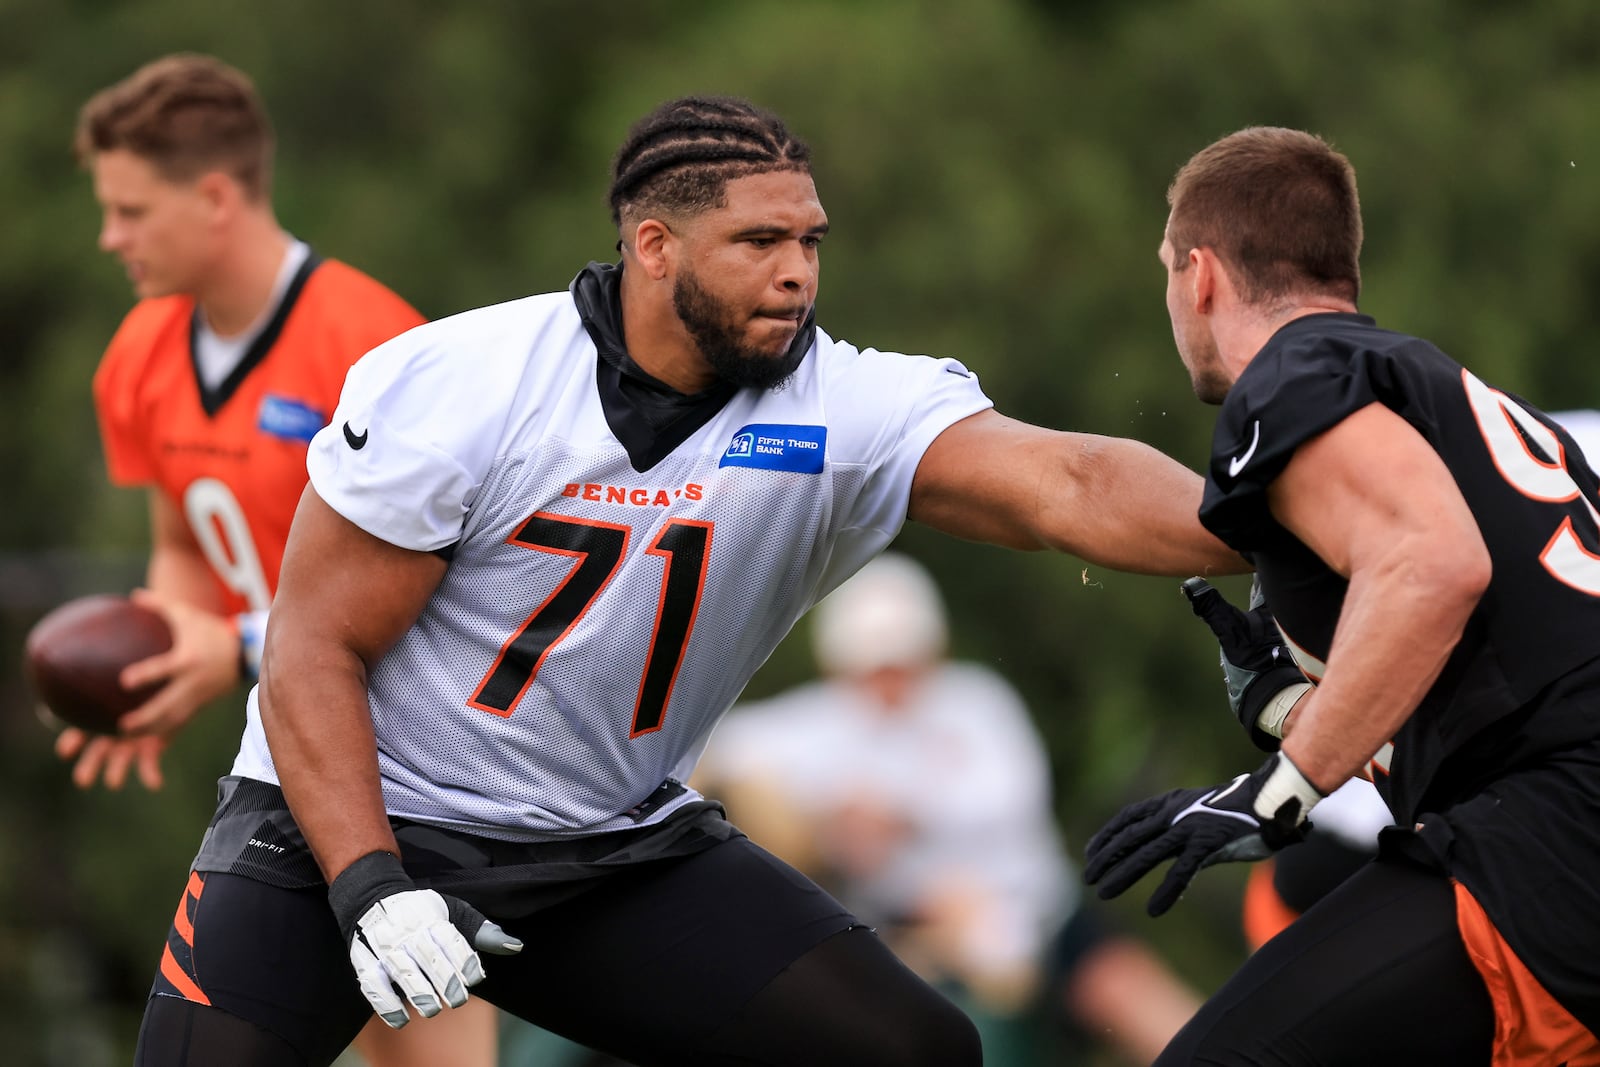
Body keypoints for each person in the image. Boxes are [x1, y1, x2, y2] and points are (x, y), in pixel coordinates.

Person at [132, 94, 1247, 1066]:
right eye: (758, 240)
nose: (797, 270)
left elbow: (1067, 481)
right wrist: (370, 882)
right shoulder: (465, 381)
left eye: (810, 239)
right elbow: (313, 647)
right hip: (361, 815)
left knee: (913, 1048)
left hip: (605, 844)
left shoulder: (838, 409)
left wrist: (1271, 518)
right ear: (654, 246)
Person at [1084, 126, 1600, 1065]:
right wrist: (1293, 708)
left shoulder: (1291, 374)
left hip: (1552, 840)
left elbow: (1435, 566)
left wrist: (1278, 791)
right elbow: (1510, 676)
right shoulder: (1443, 396)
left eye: (1165, 269)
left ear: (1198, 275)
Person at [72, 52, 498, 1067]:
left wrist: (235, 644)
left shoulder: (373, 345)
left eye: (131, 210)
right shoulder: (137, 351)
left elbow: (447, 590)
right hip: (283, 746)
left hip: (408, 748)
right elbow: (183, 538)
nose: (110, 236)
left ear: (214, 196)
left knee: (419, 1035)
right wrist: (156, 655)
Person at [697, 552, 1202, 1066]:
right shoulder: (815, 727)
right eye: (874, 667)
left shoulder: (975, 704)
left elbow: (1011, 801)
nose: (889, 682)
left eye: (901, 662)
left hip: (1041, 910)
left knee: (1136, 999)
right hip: (919, 938)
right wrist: (815, 829)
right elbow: (711, 753)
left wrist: (897, 818)